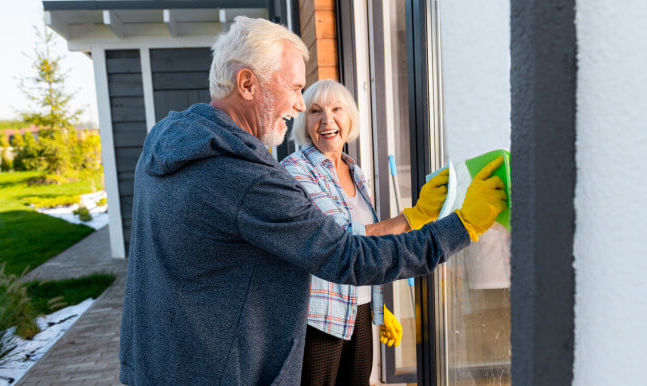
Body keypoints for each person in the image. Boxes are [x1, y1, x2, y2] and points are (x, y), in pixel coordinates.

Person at [119, 16, 507, 385]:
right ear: (248, 84)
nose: (301, 106)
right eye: (294, 88)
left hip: (166, 364)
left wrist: (413, 219)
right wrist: (462, 226)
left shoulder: (166, 143)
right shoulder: (246, 178)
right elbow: (350, 257)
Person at [281, 79, 444, 385]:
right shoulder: (296, 170)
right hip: (320, 318)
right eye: (316, 111)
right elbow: (341, 237)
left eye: (336, 109)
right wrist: (413, 217)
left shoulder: (354, 171)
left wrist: (379, 308)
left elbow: (371, 247)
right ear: (305, 121)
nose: (327, 120)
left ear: (350, 117)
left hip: (359, 311)